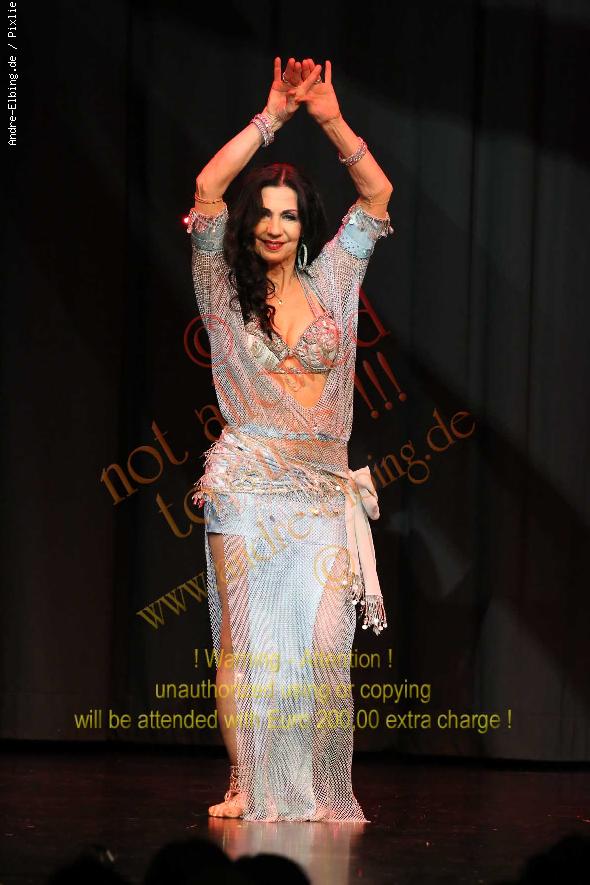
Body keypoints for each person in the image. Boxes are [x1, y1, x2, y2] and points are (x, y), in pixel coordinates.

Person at [186, 57, 394, 822]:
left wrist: (330, 120)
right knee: (246, 647)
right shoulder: (220, 283)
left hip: (322, 492)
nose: (275, 226)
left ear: (305, 225)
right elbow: (207, 188)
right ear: (250, 223)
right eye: (265, 214)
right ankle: (246, 782)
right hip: (246, 485)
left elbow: (377, 196)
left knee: (324, 648)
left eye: (290, 215)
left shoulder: (333, 279)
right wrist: (271, 118)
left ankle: (306, 785)